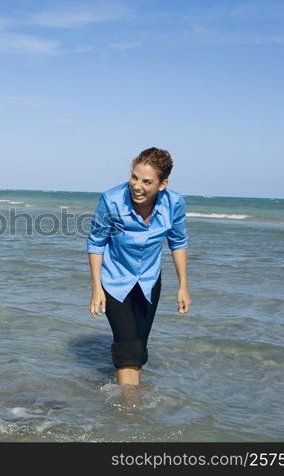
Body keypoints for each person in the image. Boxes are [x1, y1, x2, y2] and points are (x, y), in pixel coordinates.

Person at [87, 147, 191, 389]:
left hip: (149, 282)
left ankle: (130, 400)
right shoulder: (111, 200)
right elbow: (96, 242)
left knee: (139, 347)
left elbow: (178, 242)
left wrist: (183, 286)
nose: (137, 186)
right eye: (134, 177)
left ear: (162, 184)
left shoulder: (174, 203)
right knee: (127, 352)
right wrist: (96, 289)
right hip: (114, 282)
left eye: (146, 181)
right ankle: (130, 414)